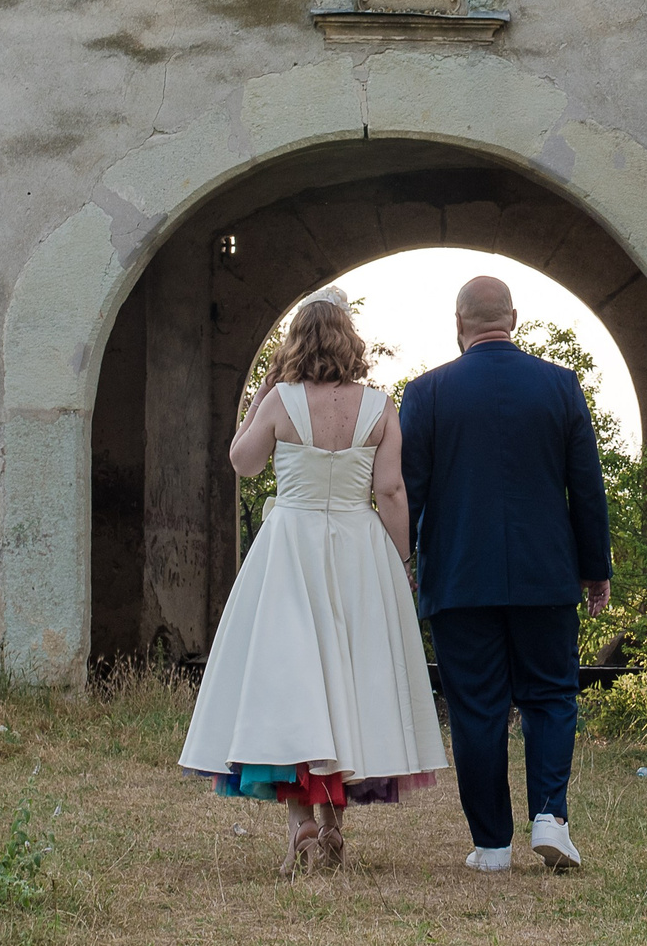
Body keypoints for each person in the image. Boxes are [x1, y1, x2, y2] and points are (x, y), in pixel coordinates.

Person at [177, 293, 448, 876]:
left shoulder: (279, 400)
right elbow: (392, 491)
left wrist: (259, 400)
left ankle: (300, 825)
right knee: (348, 680)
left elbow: (242, 462)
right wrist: (401, 562)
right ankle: (332, 827)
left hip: (291, 546)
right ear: (350, 339)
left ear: (295, 342)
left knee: (293, 680)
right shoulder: (379, 405)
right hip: (357, 546)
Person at [400, 274, 613, 874]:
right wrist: (594, 567)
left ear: (458, 324)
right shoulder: (560, 386)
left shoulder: (426, 393)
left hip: (459, 577)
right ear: (513, 319)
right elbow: (587, 490)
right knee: (550, 695)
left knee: (476, 708)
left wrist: (400, 563)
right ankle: (550, 815)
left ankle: (491, 844)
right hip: (546, 574)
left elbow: (406, 493)